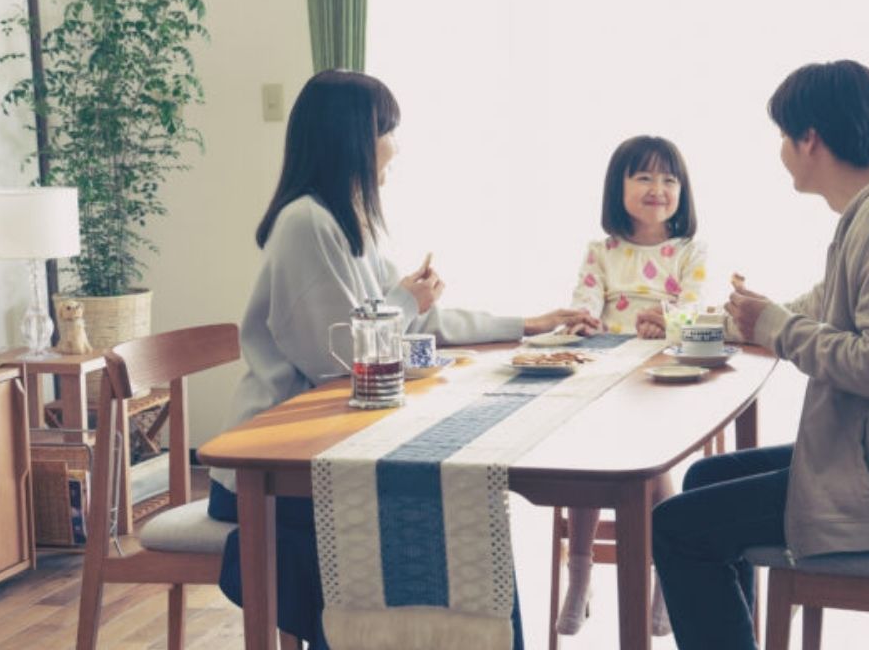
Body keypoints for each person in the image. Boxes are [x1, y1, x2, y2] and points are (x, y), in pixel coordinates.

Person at [207, 68, 591, 648]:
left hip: (331, 444)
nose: (395, 146)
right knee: (447, 509)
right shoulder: (305, 223)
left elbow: (420, 322)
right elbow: (338, 355)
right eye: (388, 130)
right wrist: (405, 299)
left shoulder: (348, 218)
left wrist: (526, 323)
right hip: (277, 461)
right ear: (352, 137)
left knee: (462, 505)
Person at [651, 59, 869, 649]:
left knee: (677, 528)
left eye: (783, 137)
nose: (782, 151)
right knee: (706, 475)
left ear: (809, 139)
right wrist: (756, 321)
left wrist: (780, 329)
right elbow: (833, 301)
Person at [556, 135, 708, 636]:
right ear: (617, 187)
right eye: (643, 176)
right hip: (603, 374)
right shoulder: (601, 251)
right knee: (584, 456)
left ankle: (668, 571)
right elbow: (586, 302)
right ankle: (580, 575)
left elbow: (692, 309)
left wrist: (663, 320)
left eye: (669, 179)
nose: (657, 188)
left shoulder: (689, 251)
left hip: (660, 373)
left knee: (647, 454)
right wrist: (584, 319)